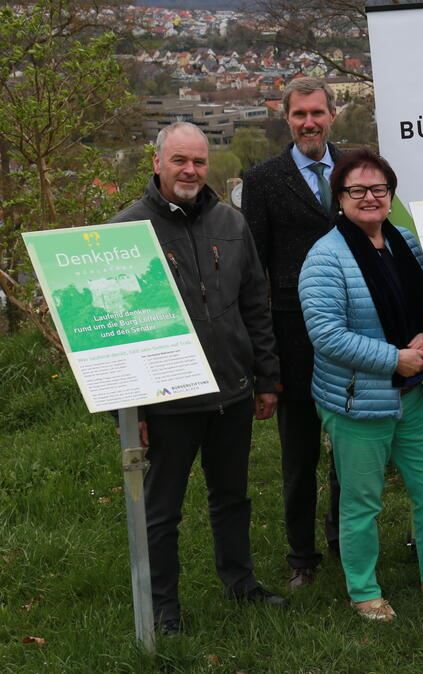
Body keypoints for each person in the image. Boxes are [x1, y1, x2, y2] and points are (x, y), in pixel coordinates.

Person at [111, 122, 287, 635]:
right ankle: (163, 610)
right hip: (168, 400)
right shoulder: (126, 230)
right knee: (162, 512)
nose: (190, 170)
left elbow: (256, 301)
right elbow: (115, 329)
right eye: (179, 160)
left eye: (199, 161)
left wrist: (267, 378)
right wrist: (129, 413)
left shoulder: (231, 221)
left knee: (232, 496)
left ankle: (241, 584)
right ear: (157, 162)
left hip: (232, 391)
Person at [299, 149, 423, 621]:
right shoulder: (325, 257)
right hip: (357, 402)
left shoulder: (406, 242)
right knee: (361, 502)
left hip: (411, 393)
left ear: (391, 195)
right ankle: (364, 593)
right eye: (356, 190)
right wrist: (392, 359)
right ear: (340, 198)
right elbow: (325, 334)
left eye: (378, 188)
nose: (369, 197)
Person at [243, 77, 341, 589]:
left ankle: (345, 539)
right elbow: (252, 271)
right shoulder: (262, 181)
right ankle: (302, 555)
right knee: (300, 454)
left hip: (352, 333)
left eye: (317, 113)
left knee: (350, 447)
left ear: (332, 115)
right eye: (300, 114)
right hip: (293, 337)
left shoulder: (354, 171)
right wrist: (266, 362)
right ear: (287, 119)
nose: (309, 122)